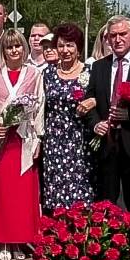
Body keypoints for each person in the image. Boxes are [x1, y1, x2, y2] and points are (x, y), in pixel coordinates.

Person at [0, 30, 45, 260]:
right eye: (9, 47)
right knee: (1, 193)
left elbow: (39, 109)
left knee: (21, 195)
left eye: (17, 46)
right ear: (3, 51)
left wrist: (38, 139)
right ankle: (3, 241)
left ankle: (19, 241)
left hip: (22, 141)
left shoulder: (34, 74)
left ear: (24, 48)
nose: (14, 51)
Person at [84, 16, 130, 211]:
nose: (118, 39)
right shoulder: (99, 66)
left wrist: (129, 115)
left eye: (123, 34)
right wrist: (95, 123)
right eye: (113, 35)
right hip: (107, 143)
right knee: (106, 201)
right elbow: (90, 101)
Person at [42, 23, 94, 210]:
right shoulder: (48, 73)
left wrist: (93, 101)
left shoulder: (90, 72)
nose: (65, 50)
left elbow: (102, 98)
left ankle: (79, 228)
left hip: (80, 141)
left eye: (70, 45)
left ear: (78, 48)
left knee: (80, 191)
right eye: (61, 45)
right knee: (55, 191)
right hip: (54, 142)